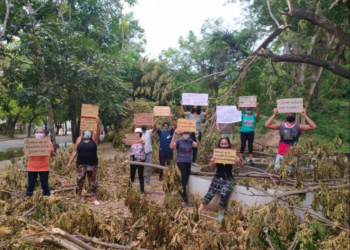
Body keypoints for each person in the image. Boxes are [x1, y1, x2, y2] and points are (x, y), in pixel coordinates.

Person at [198, 137, 244, 221]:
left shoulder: (232, 154)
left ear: (228, 144)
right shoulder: (217, 154)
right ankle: (197, 213)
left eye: (225, 144)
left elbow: (242, 167)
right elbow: (211, 168)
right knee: (208, 196)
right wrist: (212, 162)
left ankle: (220, 217)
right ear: (219, 145)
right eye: (222, 144)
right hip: (217, 178)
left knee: (224, 193)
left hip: (229, 179)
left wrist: (238, 160)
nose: (223, 145)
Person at [66, 118, 101, 205]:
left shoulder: (94, 138)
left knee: (92, 182)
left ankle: (94, 198)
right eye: (85, 130)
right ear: (82, 130)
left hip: (92, 164)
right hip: (80, 164)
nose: (87, 131)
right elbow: (75, 151)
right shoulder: (79, 139)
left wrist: (97, 123)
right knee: (79, 181)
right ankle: (78, 199)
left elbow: (98, 133)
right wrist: (69, 162)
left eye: (89, 130)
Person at [170, 129, 200, 207]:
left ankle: (180, 196)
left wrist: (197, 137)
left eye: (188, 133)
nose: (186, 134)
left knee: (185, 180)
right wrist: (174, 135)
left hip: (188, 162)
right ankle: (184, 199)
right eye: (185, 133)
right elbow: (171, 146)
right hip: (181, 162)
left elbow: (197, 145)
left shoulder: (190, 141)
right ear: (181, 134)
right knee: (182, 181)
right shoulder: (178, 141)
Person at [25, 127, 56, 197]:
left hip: (44, 167)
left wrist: (52, 152)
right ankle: (28, 200)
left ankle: (47, 200)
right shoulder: (30, 143)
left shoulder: (48, 143)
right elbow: (25, 153)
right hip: (32, 167)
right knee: (31, 184)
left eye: (41, 132)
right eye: (37, 132)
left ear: (43, 134)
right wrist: (25, 150)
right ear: (34, 134)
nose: (39, 134)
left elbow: (53, 155)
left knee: (45, 185)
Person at [180, 100, 210, 167]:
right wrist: (181, 104)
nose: (195, 107)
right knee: (189, 146)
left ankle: (194, 161)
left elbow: (206, 113)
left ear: (198, 107)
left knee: (196, 147)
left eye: (196, 106)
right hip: (190, 132)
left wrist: (208, 105)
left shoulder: (200, 114)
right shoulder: (189, 114)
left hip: (198, 133)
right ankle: (187, 160)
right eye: (194, 106)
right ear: (192, 107)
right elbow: (182, 112)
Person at [122, 128, 146, 193]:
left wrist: (140, 141)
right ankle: (129, 190)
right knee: (132, 175)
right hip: (133, 160)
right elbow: (127, 143)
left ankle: (142, 191)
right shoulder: (132, 141)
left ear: (141, 134)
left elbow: (144, 142)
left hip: (141, 160)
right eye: (136, 133)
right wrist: (124, 141)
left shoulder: (142, 140)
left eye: (139, 133)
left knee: (141, 175)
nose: (137, 134)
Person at [155, 115, 177, 181]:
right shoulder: (160, 132)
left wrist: (172, 118)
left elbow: (176, 126)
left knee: (169, 164)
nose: (165, 127)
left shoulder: (170, 132)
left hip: (169, 151)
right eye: (164, 126)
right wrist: (153, 117)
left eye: (167, 126)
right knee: (161, 164)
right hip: (162, 151)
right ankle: (160, 176)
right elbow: (155, 127)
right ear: (163, 127)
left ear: (168, 127)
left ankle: (169, 177)